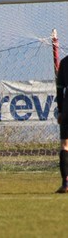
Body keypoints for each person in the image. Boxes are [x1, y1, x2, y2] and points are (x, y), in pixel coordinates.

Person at [56, 55, 68, 193]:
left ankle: (66, 182)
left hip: (67, 108)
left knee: (65, 145)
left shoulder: (64, 62)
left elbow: (59, 90)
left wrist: (60, 111)